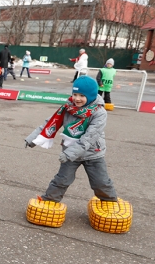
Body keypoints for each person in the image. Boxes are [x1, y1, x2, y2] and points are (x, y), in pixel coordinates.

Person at [25, 76, 117, 205]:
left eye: (81, 95)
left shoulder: (99, 112)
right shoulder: (67, 107)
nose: (77, 99)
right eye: (75, 94)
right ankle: (50, 200)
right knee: (62, 179)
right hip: (70, 152)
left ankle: (109, 202)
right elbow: (49, 123)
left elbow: (89, 137)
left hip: (92, 153)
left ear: (91, 96)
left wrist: (69, 153)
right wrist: (32, 138)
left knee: (100, 182)